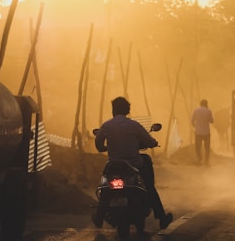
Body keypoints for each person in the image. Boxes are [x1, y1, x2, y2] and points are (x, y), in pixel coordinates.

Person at [92, 96, 173, 229]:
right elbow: (149, 141)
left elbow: (99, 146)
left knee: (105, 187)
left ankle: (99, 217)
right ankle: (161, 217)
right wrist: (154, 143)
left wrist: (108, 147)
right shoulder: (134, 125)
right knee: (149, 186)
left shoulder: (106, 126)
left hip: (113, 165)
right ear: (127, 110)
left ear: (113, 110)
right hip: (134, 165)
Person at [191, 99, 214, 165]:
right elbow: (211, 121)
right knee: (207, 147)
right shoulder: (209, 111)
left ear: (200, 104)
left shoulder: (196, 110)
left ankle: (199, 159)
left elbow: (192, 121)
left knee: (198, 146)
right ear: (206, 104)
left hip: (198, 132)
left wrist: (196, 126)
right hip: (206, 132)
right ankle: (206, 161)